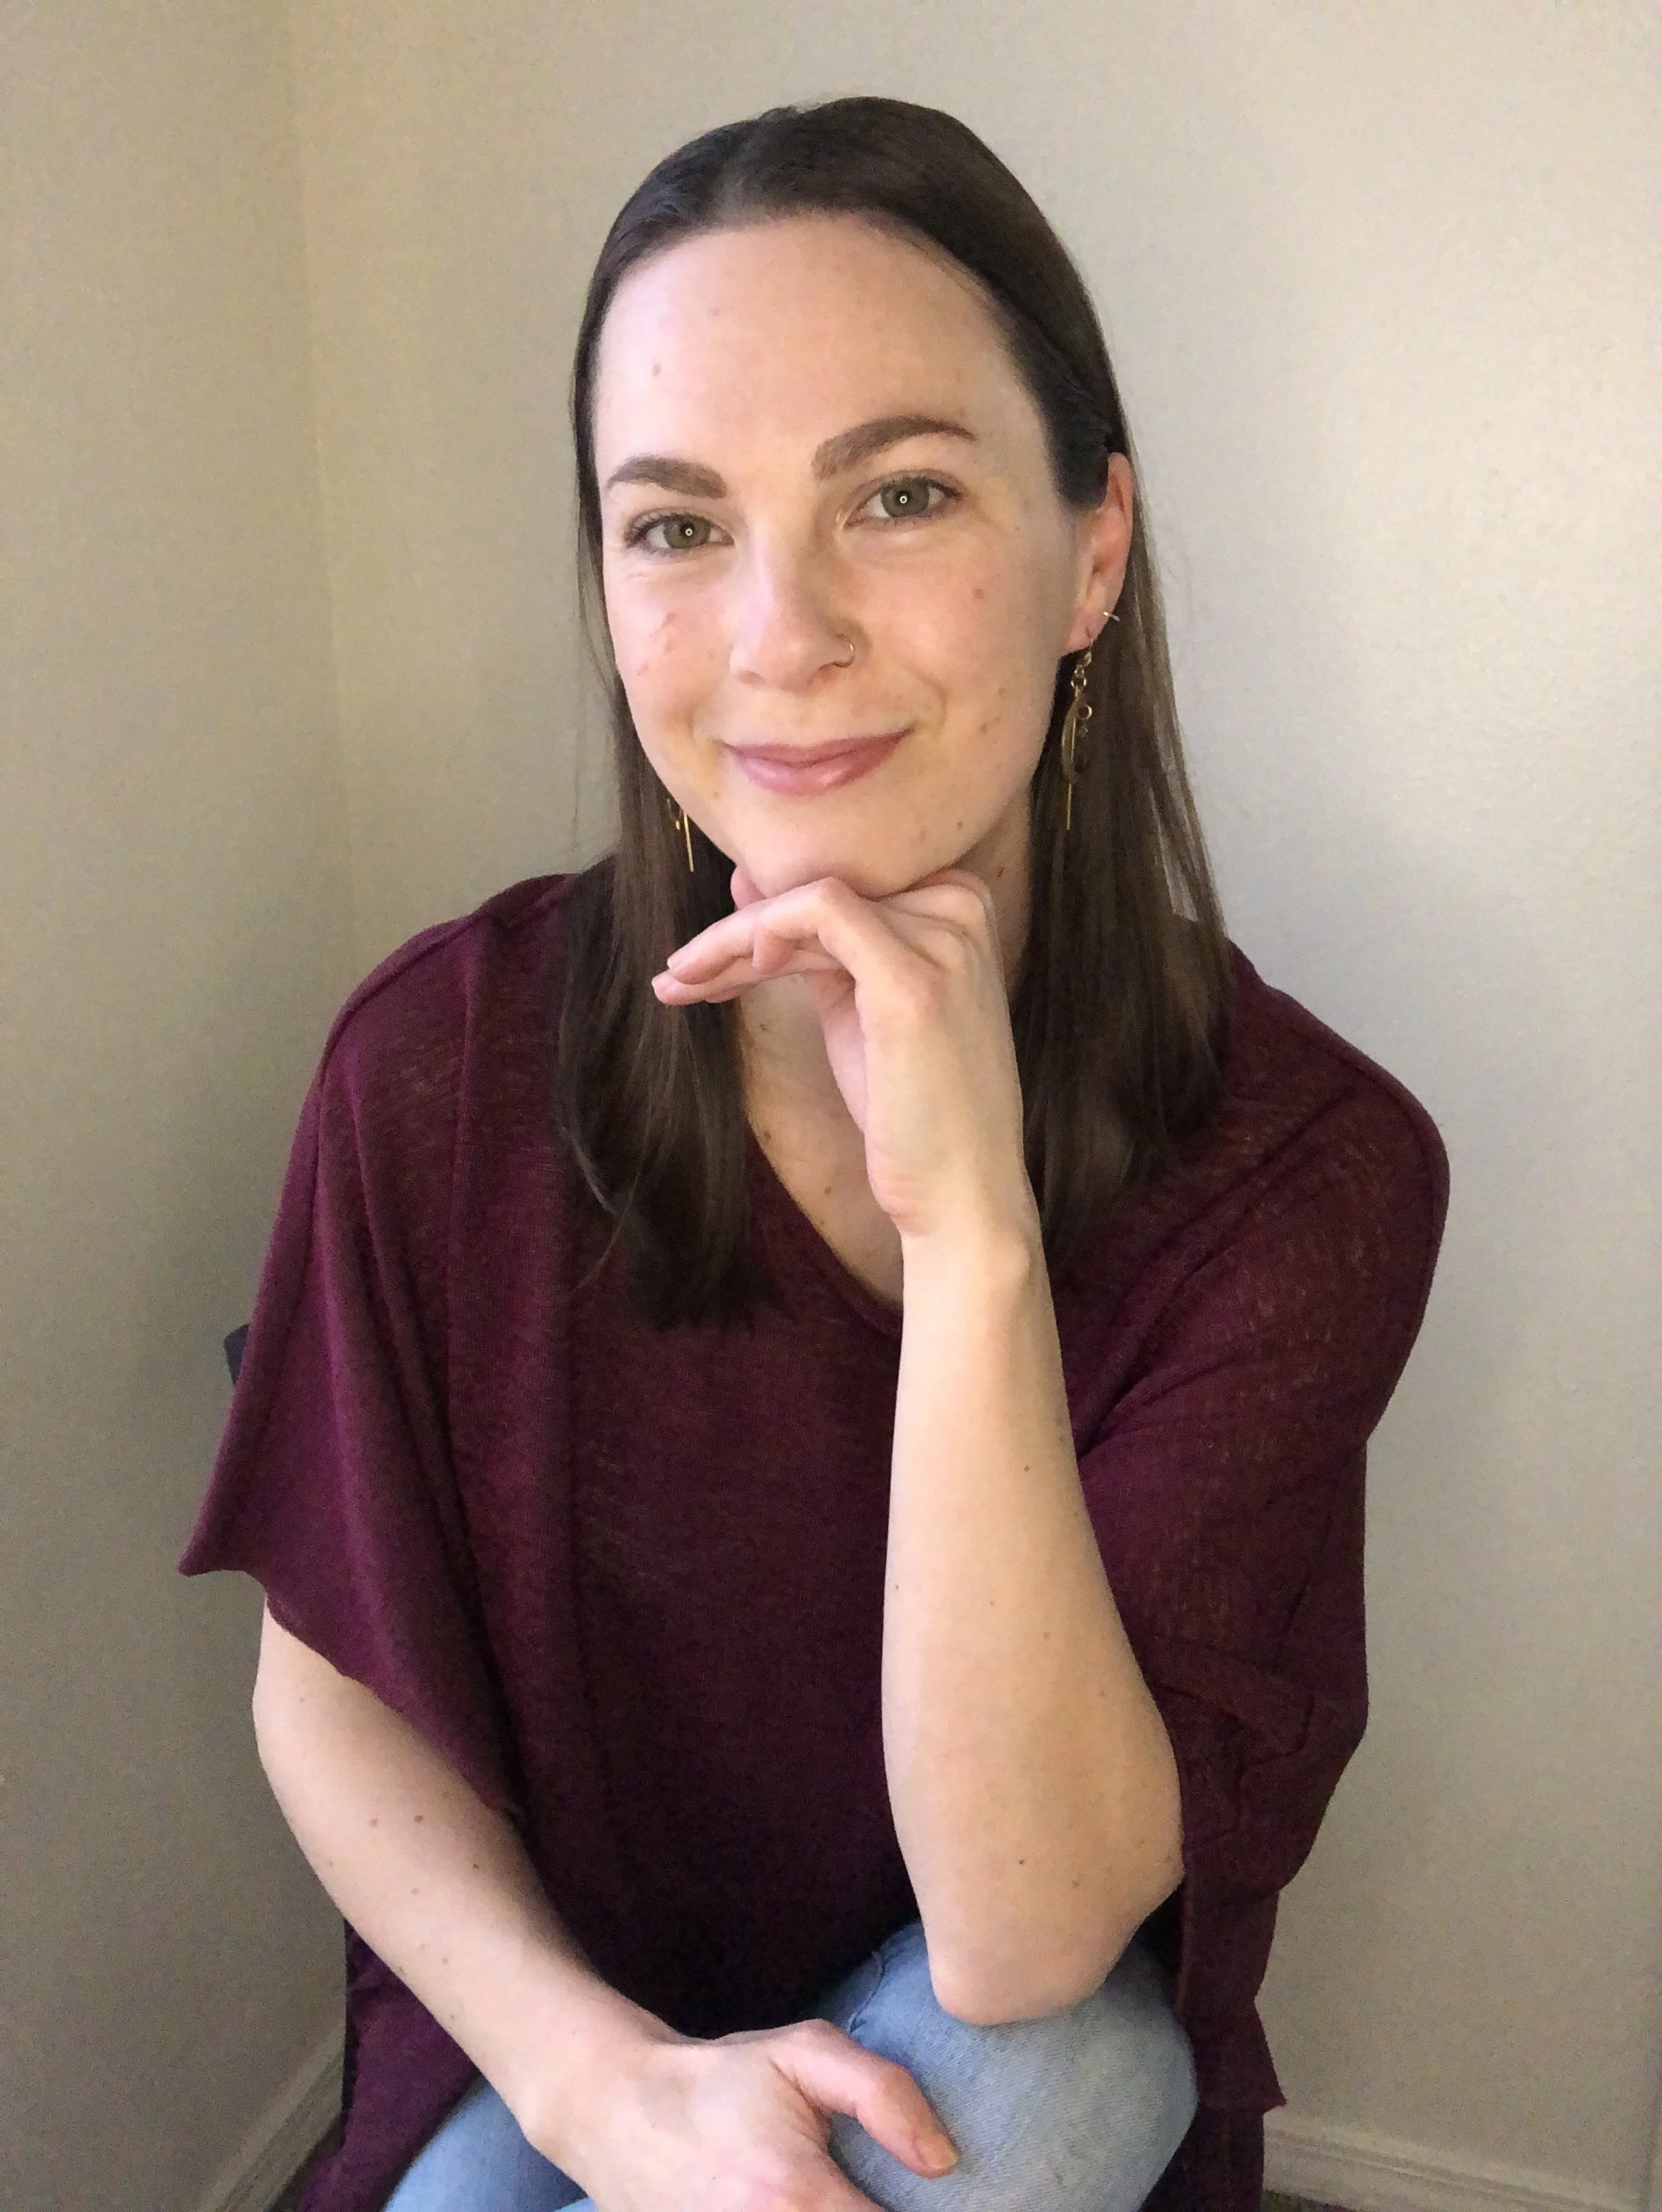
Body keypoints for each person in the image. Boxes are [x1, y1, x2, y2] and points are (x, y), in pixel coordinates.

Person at [181, 96, 1449, 2212]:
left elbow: (1026, 1934)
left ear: (1093, 554)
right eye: (676, 526)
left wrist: (973, 1246)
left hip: (1007, 2053)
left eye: (903, 496)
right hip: (556, 2028)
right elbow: (331, 1693)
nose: (780, 632)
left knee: (1025, 2085)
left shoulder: (1303, 1175)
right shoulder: (436, 1061)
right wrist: (599, 2091)